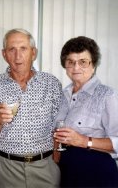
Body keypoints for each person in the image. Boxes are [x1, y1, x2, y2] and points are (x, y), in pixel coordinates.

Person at [0, 28, 62, 188]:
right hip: (6, 169)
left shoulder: (51, 83)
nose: (18, 56)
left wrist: (56, 158)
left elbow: (59, 125)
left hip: (45, 168)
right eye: (12, 49)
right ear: (4, 54)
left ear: (33, 53)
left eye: (23, 49)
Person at [54, 36, 118, 187]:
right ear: (65, 65)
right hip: (66, 170)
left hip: (96, 172)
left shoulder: (108, 95)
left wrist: (83, 141)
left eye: (83, 62)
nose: (76, 68)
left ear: (93, 64)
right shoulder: (62, 95)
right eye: (71, 62)